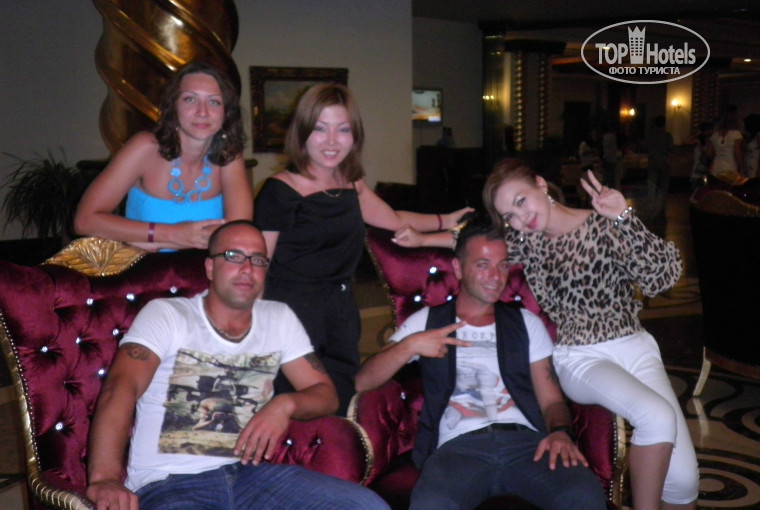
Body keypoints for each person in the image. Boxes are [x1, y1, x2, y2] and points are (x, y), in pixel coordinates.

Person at [84, 220, 389, 510]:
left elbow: (325, 394)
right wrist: (105, 478)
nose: (247, 268)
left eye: (258, 260)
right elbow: (120, 389)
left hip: (249, 476)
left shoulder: (278, 318)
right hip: (170, 482)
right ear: (210, 267)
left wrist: (285, 405)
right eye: (233, 256)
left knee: (367, 506)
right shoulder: (169, 315)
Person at [479, 159, 698, 510]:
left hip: (636, 348)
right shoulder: (526, 241)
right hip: (581, 356)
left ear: (540, 184)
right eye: (510, 216)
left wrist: (623, 216)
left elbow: (663, 277)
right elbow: (469, 243)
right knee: (656, 416)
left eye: (521, 201)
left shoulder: (605, 224)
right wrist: (420, 232)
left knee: (684, 481)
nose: (521, 218)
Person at [355, 217, 607, 510]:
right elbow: (363, 381)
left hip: (527, 445)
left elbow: (551, 400)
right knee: (432, 504)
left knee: (584, 496)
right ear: (458, 268)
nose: (496, 276)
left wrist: (561, 432)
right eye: (483, 264)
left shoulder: (525, 323)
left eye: (503, 265)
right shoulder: (427, 321)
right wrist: (409, 346)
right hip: (458, 448)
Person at [253, 83, 471, 415]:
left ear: (354, 135)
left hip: (340, 312)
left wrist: (444, 220)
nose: (331, 141)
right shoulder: (280, 191)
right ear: (302, 132)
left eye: (342, 130)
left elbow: (393, 219)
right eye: (320, 128)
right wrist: (253, 335)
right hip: (292, 315)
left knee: (341, 402)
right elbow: (257, 268)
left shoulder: (350, 183)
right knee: (298, 408)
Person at [74, 61, 253, 251]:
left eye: (214, 102)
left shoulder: (229, 154)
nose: (203, 112)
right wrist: (172, 234)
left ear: (226, 112)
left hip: (203, 268)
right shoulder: (145, 147)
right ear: (173, 106)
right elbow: (85, 222)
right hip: (145, 268)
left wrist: (153, 243)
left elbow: (238, 236)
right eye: (190, 99)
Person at [645, 115, 674, 216]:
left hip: (652, 162)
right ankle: (661, 206)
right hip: (664, 162)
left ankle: (651, 206)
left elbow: (645, 148)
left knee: (652, 185)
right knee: (664, 186)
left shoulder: (650, 135)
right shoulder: (667, 136)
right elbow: (671, 149)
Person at [707, 104, 744, 180]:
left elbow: (709, 154)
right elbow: (737, 153)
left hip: (716, 166)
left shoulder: (715, 135)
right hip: (730, 166)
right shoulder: (736, 135)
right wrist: (741, 167)